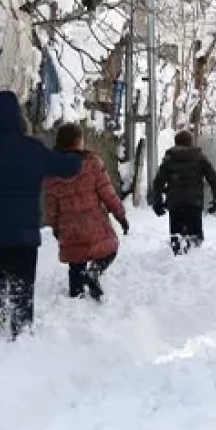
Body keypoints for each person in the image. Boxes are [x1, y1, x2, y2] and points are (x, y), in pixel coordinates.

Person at [0, 91, 82, 339]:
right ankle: (21, 335)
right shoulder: (32, 149)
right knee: (22, 288)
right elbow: (67, 168)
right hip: (23, 236)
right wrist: (77, 156)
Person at [44, 123, 128, 301]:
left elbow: (51, 203)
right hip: (93, 223)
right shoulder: (92, 163)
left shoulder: (52, 170)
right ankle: (94, 272)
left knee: (76, 263)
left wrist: (55, 226)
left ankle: (75, 298)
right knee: (110, 249)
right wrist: (120, 215)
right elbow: (107, 193)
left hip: (69, 227)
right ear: (77, 141)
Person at [149, 130, 216, 255]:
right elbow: (214, 179)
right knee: (195, 240)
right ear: (191, 143)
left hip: (175, 204)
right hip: (194, 203)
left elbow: (158, 182)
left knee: (177, 239)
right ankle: (194, 265)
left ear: (176, 143)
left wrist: (157, 202)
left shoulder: (170, 159)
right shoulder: (200, 158)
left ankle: (178, 263)